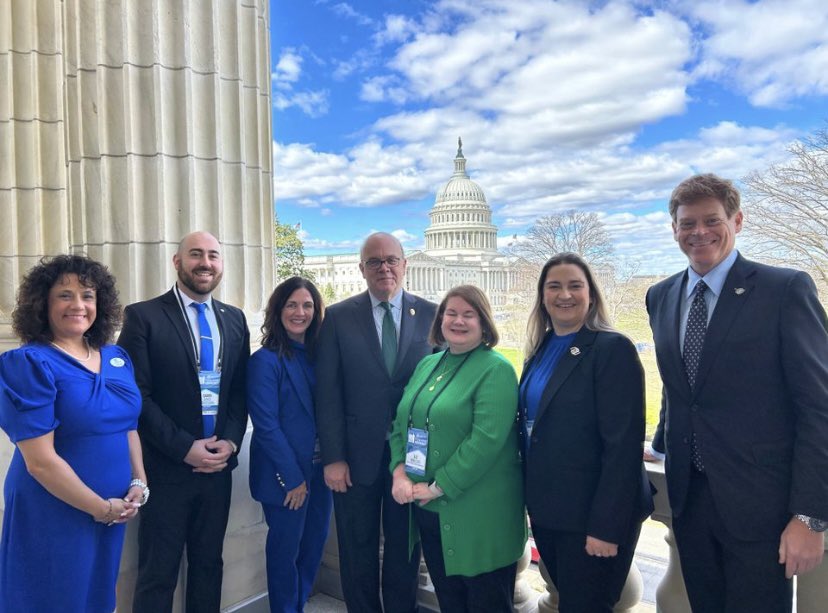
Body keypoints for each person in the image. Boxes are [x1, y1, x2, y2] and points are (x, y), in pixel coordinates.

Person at [646, 173, 828, 612]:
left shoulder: (784, 290)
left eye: (712, 220)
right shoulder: (661, 296)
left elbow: (819, 407)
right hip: (690, 501)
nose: (699, 233)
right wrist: (659, 441)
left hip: (762, 507)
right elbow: (679, 386)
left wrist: (809, 516)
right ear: (674, 229)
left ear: (738, 220)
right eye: (687, 223)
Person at [0, 255, 147, 612]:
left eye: (88, 295)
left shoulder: (116, 357)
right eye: (64, 295)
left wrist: (139, 483)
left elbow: (127, 426)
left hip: (112, 509)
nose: (78, 305)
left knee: (96, 597)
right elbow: (41, 463)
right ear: (43, 303)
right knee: (54, 598)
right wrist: (101, 508)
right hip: (54, 508)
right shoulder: (29, 363)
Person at [118, 231, 250, 613]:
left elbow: (239, 391)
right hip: (166, 468)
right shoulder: (143, 316)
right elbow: (136, 396)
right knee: (158, 572)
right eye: (195, 254)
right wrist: (184, 448)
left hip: (218, 469)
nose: (205, 263)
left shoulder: (234, 319)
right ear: (177, 262)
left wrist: (231, 439)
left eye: (213, 255)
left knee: (209, 565)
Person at [519, 253, 652, 612]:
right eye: (554, 286)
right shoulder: (541, 349)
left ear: (591, 294)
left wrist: (606, 527)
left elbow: (622, 446)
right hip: (550, 510)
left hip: (592, 517)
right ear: (542, 296)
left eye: (575, 285)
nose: (565, 295)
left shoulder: (612, 348)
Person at [315, 231, 437, 612]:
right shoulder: (337, 317)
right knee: (357, 548)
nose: (384, 268)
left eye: (391, 260)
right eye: (374, 262)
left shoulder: (433, 315)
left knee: (405, 549)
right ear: (362, 269)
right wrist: (333, 457)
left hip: (412, 459)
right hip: (354, 457)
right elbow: (328, 393)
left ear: (405, 264)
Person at [390, 284, 526, 612]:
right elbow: (401, 425)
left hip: (481, 518)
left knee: (486, 603)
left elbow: (485, 442)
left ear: (484, 323)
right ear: (440, 320)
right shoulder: (428, 365)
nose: (458, 321)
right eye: (451, 313)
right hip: (430, 511)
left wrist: (437, 487)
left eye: (469, 314)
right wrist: (399, 474)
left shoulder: (497, 369)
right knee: (450, 603)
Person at [247, 277, 332, 612]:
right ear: (278, 310)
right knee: (285, 555)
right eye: (292, 305)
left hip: (321, 472)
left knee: (312, 550)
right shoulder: (264, 361)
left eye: (307, 305)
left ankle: (298, 605)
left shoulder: (320, 356)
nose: (300, 312)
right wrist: (293, 478)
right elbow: (266, 426)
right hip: (286, 479)